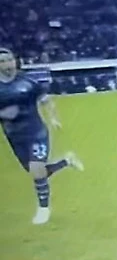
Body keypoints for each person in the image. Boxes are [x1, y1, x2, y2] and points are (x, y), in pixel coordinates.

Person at [0, 48, 84, 225]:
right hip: (14, 136)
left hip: (35, 131)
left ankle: (43, 209)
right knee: (37, 172)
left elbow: (46, 100)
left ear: (15, 61)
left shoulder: (28, 81)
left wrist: (53, 118)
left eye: (9, 59)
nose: (7, 64)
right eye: (2, 61)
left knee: (37, 169)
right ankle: (66, 161)